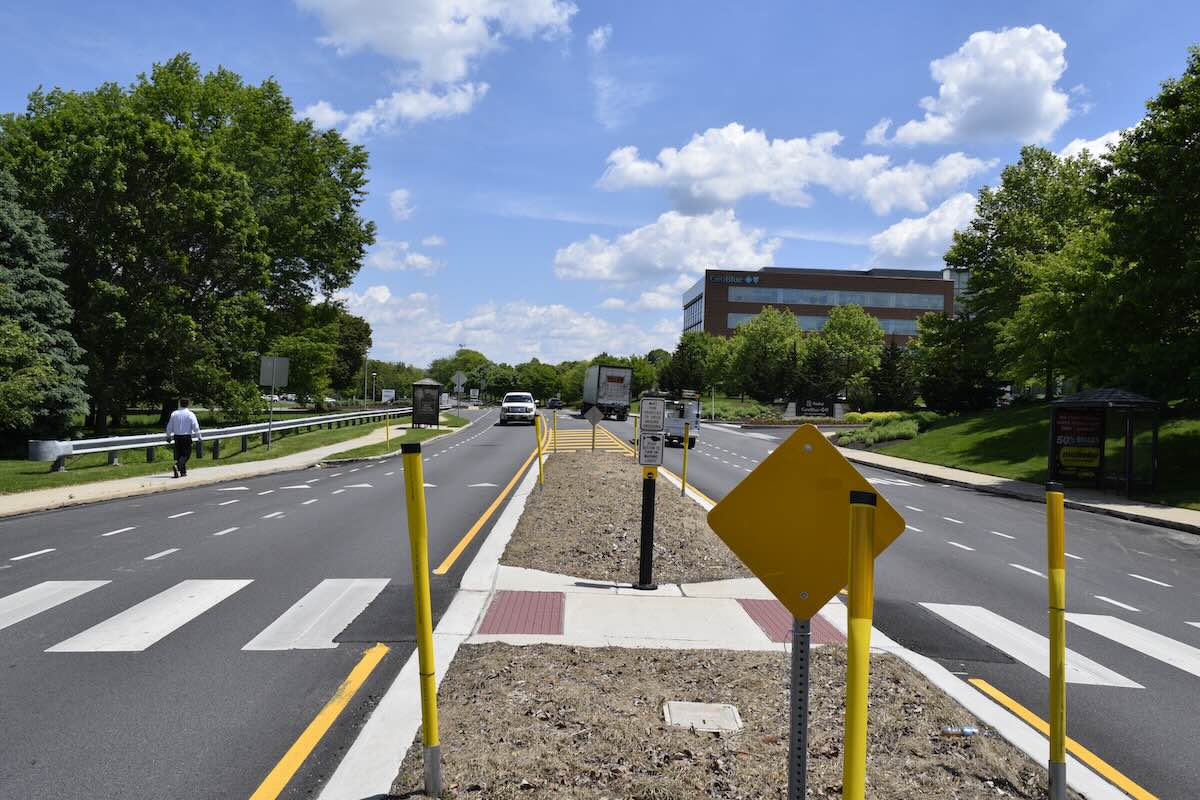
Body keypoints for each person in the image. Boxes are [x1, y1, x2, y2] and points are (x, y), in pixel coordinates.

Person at [165, 398, 202, 478]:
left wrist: (168, 436)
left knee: (180, 454)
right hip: (186, 436)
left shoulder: (174, 414)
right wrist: (199, 437)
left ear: (180, 404)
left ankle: (183, 472)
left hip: (177, 437)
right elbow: (195, 426)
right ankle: (177, 466)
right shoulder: (190, 414)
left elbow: (169, 426)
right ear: (188, 404)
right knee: (186, 455)